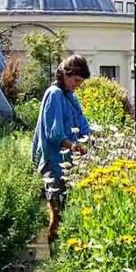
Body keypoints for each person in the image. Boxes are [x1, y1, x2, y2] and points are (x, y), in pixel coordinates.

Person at [31, 55, 92, 244]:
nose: (77, 85)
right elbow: (54, 133)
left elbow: (82, 123)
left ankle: (61, 250)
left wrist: (91, 139)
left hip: (67, 161)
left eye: (81, 83)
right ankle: (53, 254)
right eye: (76, 81)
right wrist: (75, 146)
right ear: (66, 74)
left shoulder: (70, 96)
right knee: (56, 212)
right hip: (53, 160)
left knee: (66, 208)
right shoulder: (55, 94)